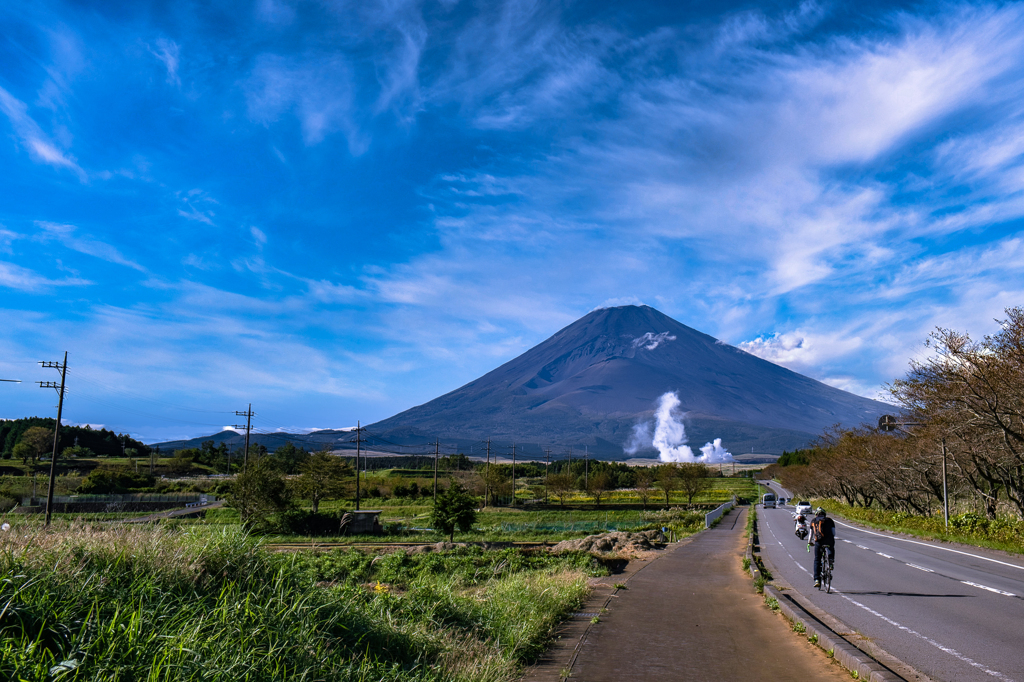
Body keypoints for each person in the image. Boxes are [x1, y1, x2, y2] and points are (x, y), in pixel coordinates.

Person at [808, 507, 836, 588]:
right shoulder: (830, 521)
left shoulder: (813, 521)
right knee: (831, 547)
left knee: (817, 560)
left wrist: (809, 542)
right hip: (829, 541)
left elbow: (811, 534)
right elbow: (833, 533)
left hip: (818, 542)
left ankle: (817, 579)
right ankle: (830, 561)